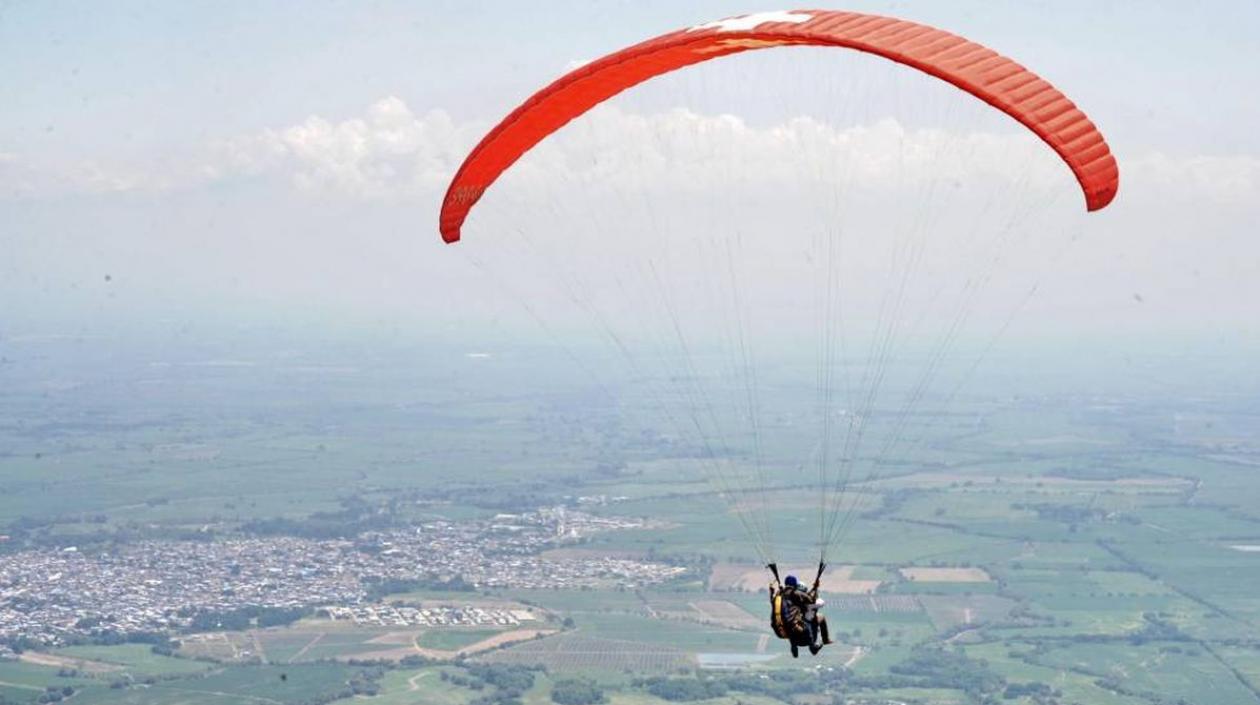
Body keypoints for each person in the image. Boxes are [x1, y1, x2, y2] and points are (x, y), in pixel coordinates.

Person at [771, 574, 833, 657]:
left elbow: (773, 601)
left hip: (785, 628)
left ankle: (794, 646)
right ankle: (821, 642)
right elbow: (810, 600)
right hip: (798, 627)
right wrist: (815, 588)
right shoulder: (796, 594)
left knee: (796, 624)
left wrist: (772, 592)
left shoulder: (779, 596)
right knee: (815, 618)